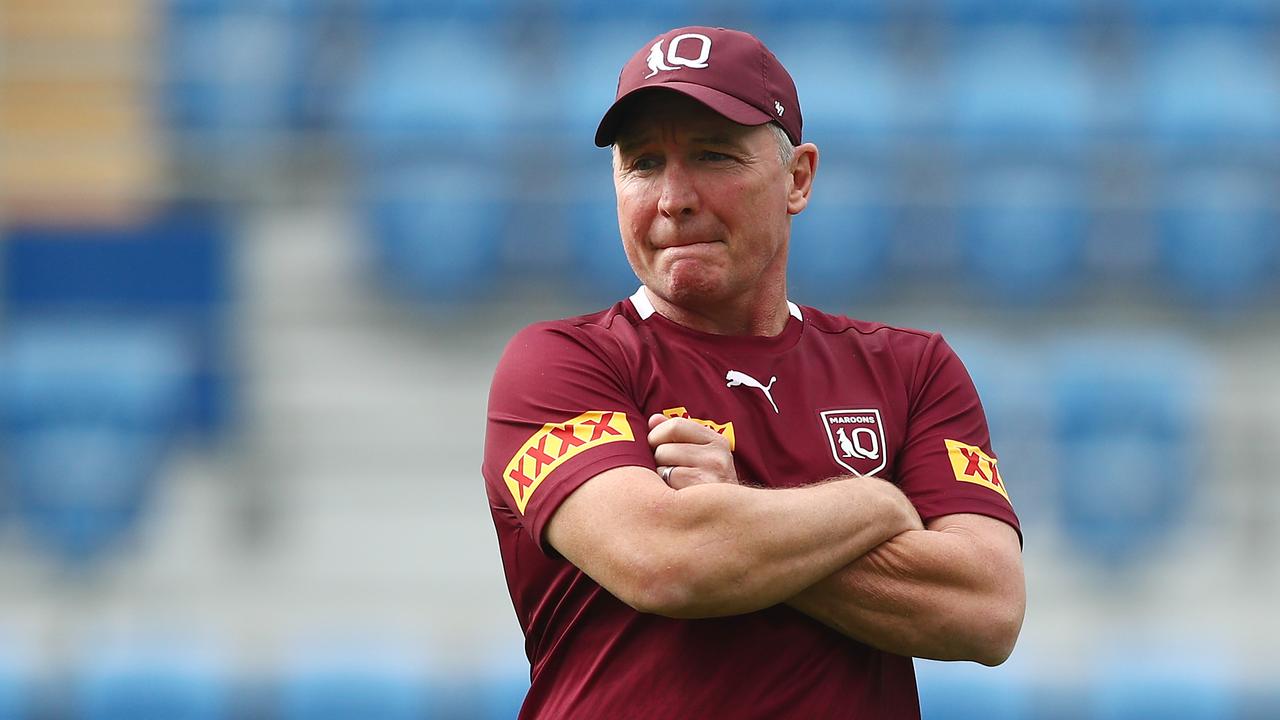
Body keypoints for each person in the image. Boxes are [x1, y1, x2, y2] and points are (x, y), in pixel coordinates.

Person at [482, 25, 1025, 719]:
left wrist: (741, 500)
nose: (674, 197)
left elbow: (986, 609)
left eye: (712, 155)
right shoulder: (560, 365)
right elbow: (668, 561)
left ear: (798, 178)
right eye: (644, 164)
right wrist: (877, 505)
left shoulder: (914, 372)